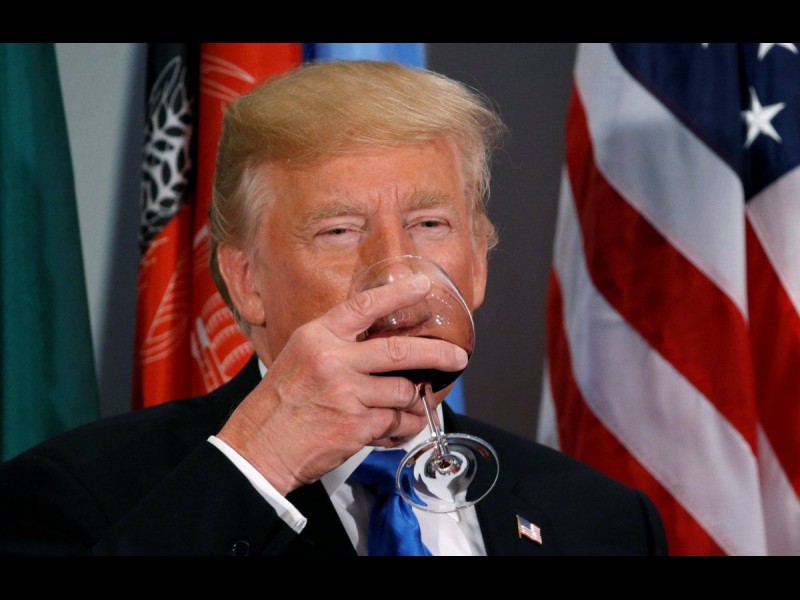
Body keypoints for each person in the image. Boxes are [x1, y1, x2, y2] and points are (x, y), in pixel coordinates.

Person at [0, 60, 668, 556]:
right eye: (340, 231)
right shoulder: (78, 495)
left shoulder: (602, 521)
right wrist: (263, 464)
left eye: (430, 225)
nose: (399, 271)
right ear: (246, 280)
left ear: (480, 262)